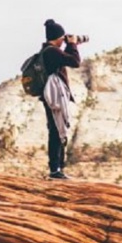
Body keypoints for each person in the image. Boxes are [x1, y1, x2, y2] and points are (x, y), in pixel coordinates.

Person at [40, 19, 81, 179]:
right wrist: (73, 45)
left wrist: (70, 45)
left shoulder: (48, 51)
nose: (64, 40)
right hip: (55, 96)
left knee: (57, 129)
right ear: (58, 37)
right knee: (57, 131)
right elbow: (75, 62)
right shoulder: (52, 51)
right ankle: (55, 169)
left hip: (52, 95)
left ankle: (58, 169)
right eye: (62, 37)